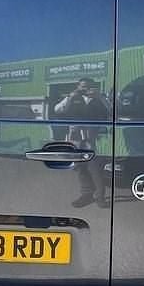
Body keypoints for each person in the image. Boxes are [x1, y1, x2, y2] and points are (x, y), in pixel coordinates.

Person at [53, 78, 111, 208]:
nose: (85, 89)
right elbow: (58, 109)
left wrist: (100, 97)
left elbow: (111, 110)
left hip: (91, 139)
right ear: (78, 86)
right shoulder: (73, 98)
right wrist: (69, 97)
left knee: (94, 168)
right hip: (75, 138)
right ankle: (86, 195)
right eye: (82, 86)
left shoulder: (98, 98)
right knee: (80, 168)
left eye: (88, 86)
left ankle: (100, 197)